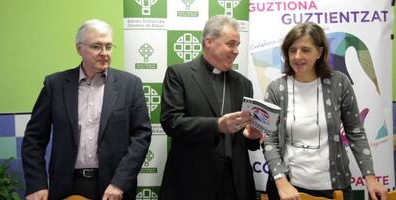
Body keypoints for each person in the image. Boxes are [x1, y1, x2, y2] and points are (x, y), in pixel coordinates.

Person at [21, 19, 152, 200]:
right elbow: (34, 138)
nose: (105, 53)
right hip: (67, 185)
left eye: (109, 46)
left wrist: (120, 182)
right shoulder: (56, 85)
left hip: (113, 188)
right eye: (97, 46)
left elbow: (141, 136)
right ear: (79, 48)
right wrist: (37, 184)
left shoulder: (129, 85)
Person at [262, 22, 388, 200]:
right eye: (292, 50)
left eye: (305, 50)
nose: (297, 56)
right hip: (289, 189)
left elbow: (355, 131)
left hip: (334, 188)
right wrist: (281, 181)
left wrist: (370, 177)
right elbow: (269, 139)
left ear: (319, 52)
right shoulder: (276, 89)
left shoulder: (339, 83)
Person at [159, 15, 264, 200]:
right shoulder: (179, 74)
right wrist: (216, 125)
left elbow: (245, 138)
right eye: (231, 44)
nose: (236, 51)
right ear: (209, 41)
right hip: (193, 182)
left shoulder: (243, 83)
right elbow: (171, 122)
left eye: (238, 45)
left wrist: (253, 137)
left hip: (235, 184)